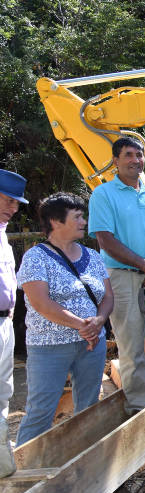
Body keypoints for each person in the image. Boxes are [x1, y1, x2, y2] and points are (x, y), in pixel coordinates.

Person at [16, 193, 112, 444]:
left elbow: (107, 297)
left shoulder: (93, 256)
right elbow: (41, 303)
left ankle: (84, 463)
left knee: (89, 407)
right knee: (41, 410)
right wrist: (82, 325)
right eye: (78, 217)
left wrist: (99, 321)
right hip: (49, 347)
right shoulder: (35, 258)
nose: (84, 221)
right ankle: (26, 472)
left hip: (92, 343)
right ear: (55, 221)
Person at [88, 137, 145, 413]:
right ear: (115, 161)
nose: (136, 160)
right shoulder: (104, 194)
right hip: (122, 277)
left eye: (139, 155)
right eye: (128, 155)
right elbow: (105, 240)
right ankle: (138, 404)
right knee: (132, 342)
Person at [0, 169, 24, 475]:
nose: (14, 208)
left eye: (17, 203)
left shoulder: (3, 234)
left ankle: (3, 466)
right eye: (8, 200)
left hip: (5, 325)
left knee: (4, 392)